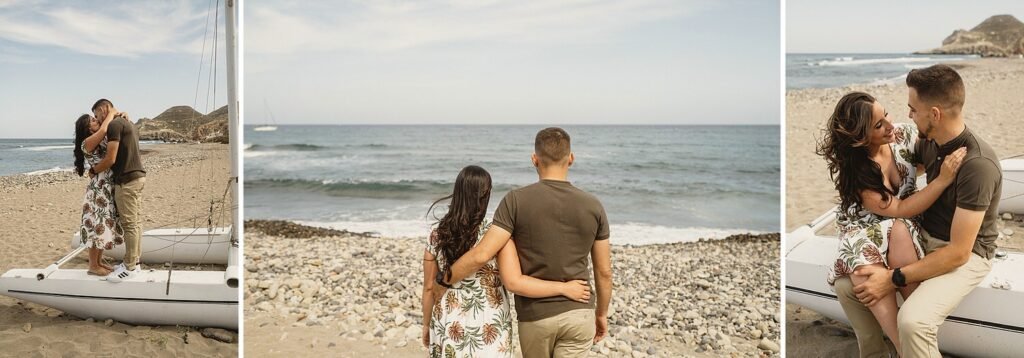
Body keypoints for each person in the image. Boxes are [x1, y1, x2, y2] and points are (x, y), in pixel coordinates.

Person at [844, 64, 1002, 357]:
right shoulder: (928, 143)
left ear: (935, 114)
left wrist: (893, 278)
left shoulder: (977, 165)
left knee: (913, 322)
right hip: (927, 238)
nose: (908, 116)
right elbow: (896, 165)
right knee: (846, 285)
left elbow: (959, 253)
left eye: (912, 109)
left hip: (966, 254)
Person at [437, 128, 613, 358]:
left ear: (534, 159)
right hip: (579, 312)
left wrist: (445, 280)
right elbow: (604, 271)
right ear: (571, 159)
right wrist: (601, 313)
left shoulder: (515, 201)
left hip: (535, 317)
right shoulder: (594, 205)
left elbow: (482, 254)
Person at [817, 90, 965, 357]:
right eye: (878, 125)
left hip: (906, 222)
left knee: (899, 229)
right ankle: (903, 346)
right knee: (860, 262)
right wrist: (941, 181)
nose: (889, 125)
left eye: (885, 114)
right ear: (860, 138)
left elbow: (927, 154)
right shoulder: (858, 168)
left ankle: (917, 322)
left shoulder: (904, 134)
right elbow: (900, 207)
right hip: (866, 224)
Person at [420, 165, 592, 357]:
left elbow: (429, 287)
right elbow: (514, 282)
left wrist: (426, 324)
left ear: (458, 192)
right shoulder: (497, 235)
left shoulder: (436, 235)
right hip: (488, 319)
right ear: (486, 195)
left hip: (447, 317)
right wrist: (564, 288)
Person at [90, 99, 147, 283]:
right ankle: (134, 262)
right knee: (136, 223)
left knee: (130, 224)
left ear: (102, 108)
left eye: (97, 116)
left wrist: (93, 170)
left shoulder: (114, 124)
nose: (97, 119)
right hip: (139, 176)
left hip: (127, 180)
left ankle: (130, 267)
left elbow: (110, 158)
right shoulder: (128, 122)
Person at [72, 110, 125, 276]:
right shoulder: (86, 143)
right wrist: (112, 111)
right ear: (88, 129)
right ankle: (92, 266)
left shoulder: (101, 139)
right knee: (96, 226)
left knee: (104, 226)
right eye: (93, 120)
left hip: (107, 188)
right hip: (98, 190)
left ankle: (99, 262)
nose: (97, 120)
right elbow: (103, 129)